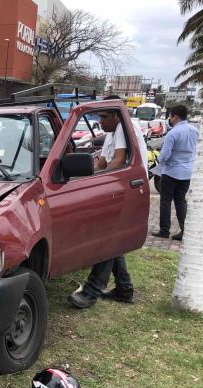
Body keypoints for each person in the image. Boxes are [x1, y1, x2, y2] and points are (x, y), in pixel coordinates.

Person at [68, 95, 147, 310]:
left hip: (128, 190)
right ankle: (124, 289)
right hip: (117, 189)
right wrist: (82, 175)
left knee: (108, 240)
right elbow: (102, 162)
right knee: (114, 240)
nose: (100, 121)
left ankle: (92, 291)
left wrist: (93, 178)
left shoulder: (123, 128)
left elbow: (119, 161)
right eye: (99, 117)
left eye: (104, 116)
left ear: (116, 115)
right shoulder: (112, 133)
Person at [151, 104, 198, 241]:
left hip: (171, 171)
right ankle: (184, 230)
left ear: (175, 117)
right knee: (181, 201)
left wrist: (158, 160)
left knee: (165, 200)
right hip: (187, 172)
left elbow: (164, 155)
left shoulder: (173, 133)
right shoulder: (194, 130)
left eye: (170, 116)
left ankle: (164, 230)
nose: (169, 119)